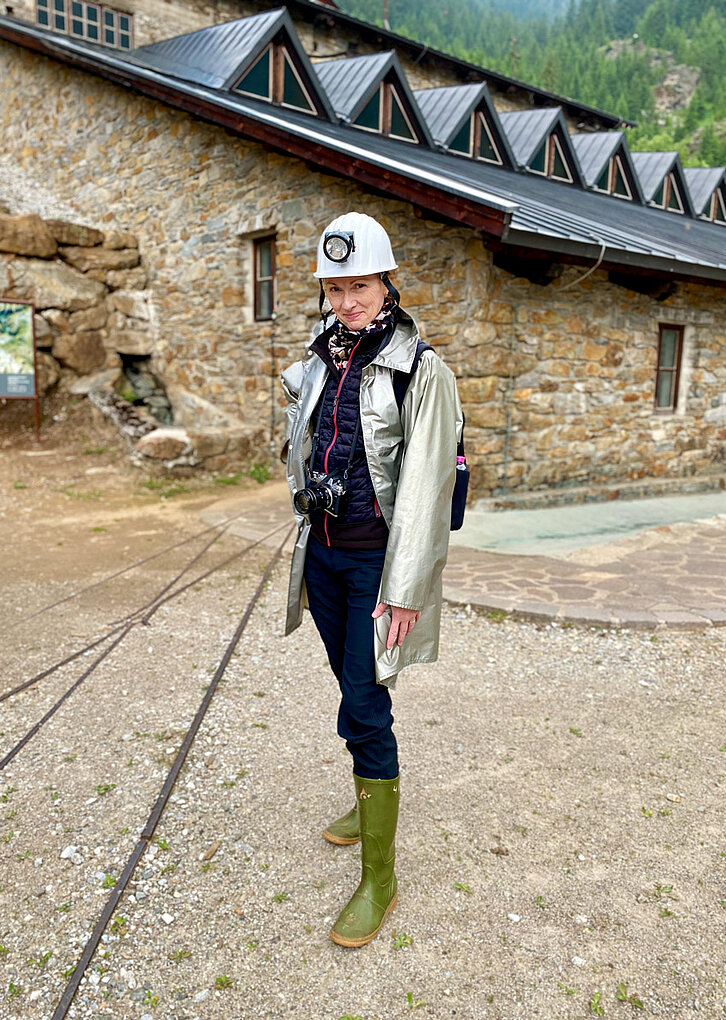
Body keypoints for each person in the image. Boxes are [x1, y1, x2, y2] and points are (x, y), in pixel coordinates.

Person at [282, 211, 462, 947]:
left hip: (375, 564)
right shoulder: (318, 357)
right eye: (334, 286)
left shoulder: (424, 369)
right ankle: (367, 794)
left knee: (362, 701)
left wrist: (407, 589)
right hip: (321, 555)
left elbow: (426, 490)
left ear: (387, 283)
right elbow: (303, 442)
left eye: (358, 285)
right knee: (352, 687)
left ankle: (380, 878)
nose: (345, 300)